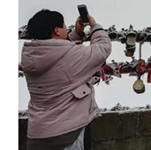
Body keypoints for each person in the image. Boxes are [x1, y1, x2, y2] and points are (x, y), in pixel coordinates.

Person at [21, 9, 112, 150]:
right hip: (66, 136)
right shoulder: (71, 57)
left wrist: (76, 34)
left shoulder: (32, 56)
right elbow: (102, 49)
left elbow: (60, 54)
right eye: (64, 26)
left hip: (38, 135)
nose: (66, 28)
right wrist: (95, 26)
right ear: (57, 30)